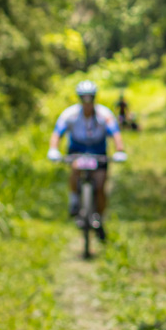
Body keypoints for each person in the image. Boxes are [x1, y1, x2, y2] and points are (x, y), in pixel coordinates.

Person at [47, 80, 128, 240]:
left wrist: (120, 150)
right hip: (77, 151)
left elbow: (116, 134)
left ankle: (100, 218)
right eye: (84, 98)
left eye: (90, 98)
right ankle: (74, 201)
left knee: (100, 185)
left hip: (98, 152)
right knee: (75, 169)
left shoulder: (104, 115)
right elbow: (57, 133)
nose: (87, 102)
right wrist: (53, 149)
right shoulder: (69, 114)